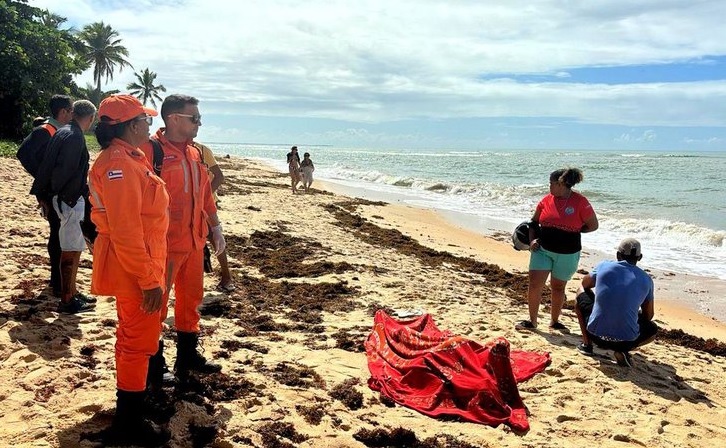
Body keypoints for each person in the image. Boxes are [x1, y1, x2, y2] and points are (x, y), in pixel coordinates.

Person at [87, 94, 170, 445]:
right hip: (137, 266)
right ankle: (129, 421)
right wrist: (149, 279)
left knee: (134, 337)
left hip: (143, 260)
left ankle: (133, 407)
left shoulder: (130, 158)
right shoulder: (119, 164)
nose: (149, 127)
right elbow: (126, 230)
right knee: (137, 341)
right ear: (132, 126)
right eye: (146, 121)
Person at [141, 94, 225, 378]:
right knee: (157, 306)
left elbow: (204, 197)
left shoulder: (195, 153)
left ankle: (188, 356)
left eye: (199, 118)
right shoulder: (151, 151)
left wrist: (215, 227)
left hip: (194, 242)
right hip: (163, 246)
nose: (199, 123)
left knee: (191, 300)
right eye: (195, 118)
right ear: (174, 119)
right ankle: (154, 363)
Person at [30, 99, 98, 314]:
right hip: (69, 200)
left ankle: (72, 291)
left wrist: (45, 193)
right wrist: (65, 196)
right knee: (71, 251)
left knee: (72, 248)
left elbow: (49, 166)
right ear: (91, 117)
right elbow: (64, 170)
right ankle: (67, 299)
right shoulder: (74, 136)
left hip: (62, 198)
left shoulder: (63, 130)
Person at [515, 168, 598, 332]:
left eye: (551, 183)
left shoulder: (581, 202)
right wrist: (532, 241)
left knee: (558, 287)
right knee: (535, 285)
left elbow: (593, 225)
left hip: (568, 253)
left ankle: (554, 321)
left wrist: (572, 231)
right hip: (542, 250)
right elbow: (533, 223)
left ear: (561, 184)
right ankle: (532, 321)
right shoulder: (546, 200)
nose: (549, 187)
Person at [17, 95, 73, 297]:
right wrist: (43, 178)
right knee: (57, 233)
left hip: (56, 189)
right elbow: (23, 154)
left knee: (60, 232)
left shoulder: (58, 131)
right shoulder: (45, 130)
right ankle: (57, 282)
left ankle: (57, 280)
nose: (73, 114)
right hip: (50, 191)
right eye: (71, 110)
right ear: (64, 111)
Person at [575, 238, 658, 367]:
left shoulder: (604, 266)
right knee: (652, 329)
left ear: (618, 255)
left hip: (596, 335)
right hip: (626, 340)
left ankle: (587, 345)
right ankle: (622, 350)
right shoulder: (646, 279)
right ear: (640, 257)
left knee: (580, 292)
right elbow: (648, 316)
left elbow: (585, 284)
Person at [193, 141, 235, 292]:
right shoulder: (162, 147)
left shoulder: (202, 150)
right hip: (183, 206)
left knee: (213, 236)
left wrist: (203, 197)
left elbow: (219, 176)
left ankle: (226, 276)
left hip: (207, 204)